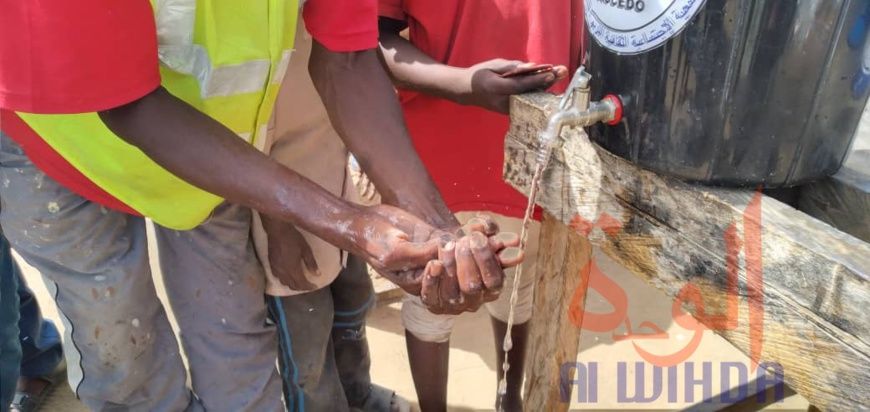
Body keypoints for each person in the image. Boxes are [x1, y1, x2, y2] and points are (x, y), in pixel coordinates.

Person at [0, 1, 516, 410]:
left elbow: (348, 53)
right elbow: (127, 103)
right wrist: (353, 224)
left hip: (212, 143)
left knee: (234, 340)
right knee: (123, 349)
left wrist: (436, 234)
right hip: (61, 146)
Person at [377, 1, 584, 410]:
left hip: (537, 147)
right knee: (432, 288)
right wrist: (464, 83)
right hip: (437, 149)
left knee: (516, 281)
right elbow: (373, 41)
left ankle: (509, 401)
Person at [250, 24, 408, 411]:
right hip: (286, 223)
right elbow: (250, 146)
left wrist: (366, 156)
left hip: (342, 201)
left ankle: (357, 393)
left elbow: (356, 88)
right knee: (308, 347)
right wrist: (277, 226)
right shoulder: (263, 39)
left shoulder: (334, 26)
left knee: (354, 303)